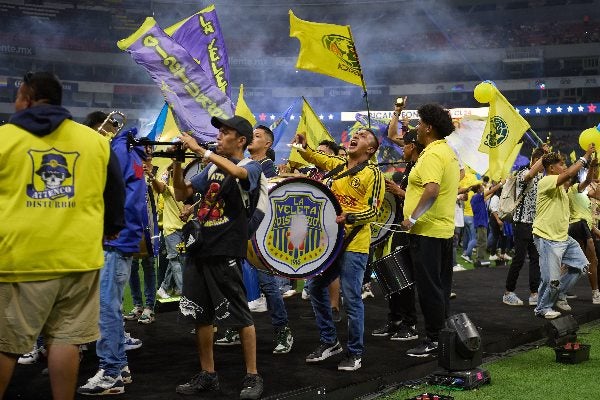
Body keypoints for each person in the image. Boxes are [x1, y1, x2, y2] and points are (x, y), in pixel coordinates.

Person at [0, 71, 125, 400]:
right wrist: (108, 229)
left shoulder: (4, 138)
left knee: (5, 345)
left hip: (18, 257)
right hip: (78, 258)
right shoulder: (95, 141)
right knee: (65, 340)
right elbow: (115, 196)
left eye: (17, 95)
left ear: (27, 98)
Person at [173, 116, 263, 400]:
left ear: (241, 141)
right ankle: (208, 374)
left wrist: (203, 151)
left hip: (226, 248)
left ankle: (252, 375)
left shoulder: (252, 166)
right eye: (219, 132)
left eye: (226, 133)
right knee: (201, 314)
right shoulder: (212, 166)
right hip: (201, 246)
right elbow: (183, 193)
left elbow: (240, 176)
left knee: (239, 314)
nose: (219, 136)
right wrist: (176, 163)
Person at [293, 127, 385, 371]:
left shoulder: (373, 174)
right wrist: (303, 147)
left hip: (355, 243)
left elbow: (373, 211)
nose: (356, 136)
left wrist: (350, 217)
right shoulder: (338, 164)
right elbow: (315, 157)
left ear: (371, 149)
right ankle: (329, 341)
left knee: (351, 298)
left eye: (364, 136)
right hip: (330, 242)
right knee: (314, 286)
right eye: (355, 134)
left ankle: (355, 353)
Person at [78, 111, 147, 395]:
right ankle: (119, 365)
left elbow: (120, 196)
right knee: (110, 305)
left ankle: (112, 372)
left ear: (101, 129)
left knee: (107, 306)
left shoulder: (116, 150)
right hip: (121, 236)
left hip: (115, 238)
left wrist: (111, 227)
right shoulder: (127, 150)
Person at [216, 125, 294, 354]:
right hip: (238, 231)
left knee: (268, 285)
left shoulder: (267, 167)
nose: (252, 138)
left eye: (257, 136)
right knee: (234, 282)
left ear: (268, 144)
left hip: (259, 235)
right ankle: (234, 327)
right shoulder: (243, 163)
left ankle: (283, 330)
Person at [400, 103, 460, 357]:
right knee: (440, 288)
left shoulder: (433, 154)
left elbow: (432, 190)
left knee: (429, 290)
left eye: (420, 123)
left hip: (427, 231)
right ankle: (442, 336)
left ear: (429, 127)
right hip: (441, 231)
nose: (417, 127)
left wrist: (412, 219)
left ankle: (434, 339)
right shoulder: (446, 151)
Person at [372, 128, 422, 341]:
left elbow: (427, 196)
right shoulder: (411, 165)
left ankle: (410, 324)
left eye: (404, 145)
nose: (401, 148)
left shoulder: (421, 166)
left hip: (411, 228)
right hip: (397, 227)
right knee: (391, 274)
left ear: (412, 146)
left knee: (404, 278)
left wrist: (400, 192)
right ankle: (395, 319)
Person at [533, 148, 595, 319]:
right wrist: (586, 156)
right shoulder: (545, 181)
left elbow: (577, 178)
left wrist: (591, 166)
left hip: (563, 238)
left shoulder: (562, 188)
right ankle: (542, 308)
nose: (564, 167)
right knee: (550, 279)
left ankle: (559, 295)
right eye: (561, 165)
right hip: (547, 237)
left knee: (581, 266)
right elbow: (568, 174)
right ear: (551, 168)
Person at [502, 147, 547, 306]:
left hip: (536, 225)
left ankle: (534, 293)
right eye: (542, 162)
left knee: (536, 260)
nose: (544, 166)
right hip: (521, 224)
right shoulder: (523, 173)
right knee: (519, 259)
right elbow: (529, 175)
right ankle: (508, 292)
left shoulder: (543, 177)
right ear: (535, 160)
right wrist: (543, 155)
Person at [567, 161, 600, 304]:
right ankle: (595, 293)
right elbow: (587, 180)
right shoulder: (574, 189)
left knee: (576, 263)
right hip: (578, 226)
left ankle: (560, 290)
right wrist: (592, 165)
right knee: (591, 260)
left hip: (582, 226)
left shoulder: (583, 195)